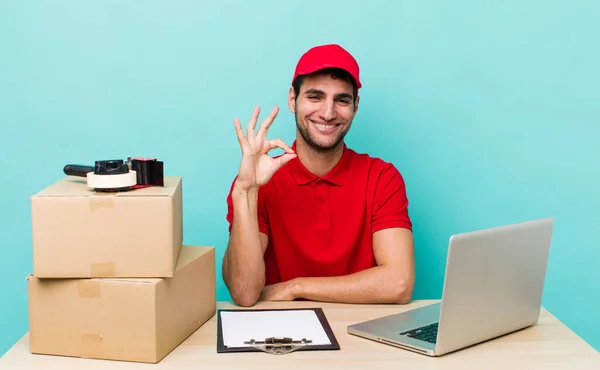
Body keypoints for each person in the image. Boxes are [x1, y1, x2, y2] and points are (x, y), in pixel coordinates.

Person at [223, 44, 414, 307]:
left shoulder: (382, 178)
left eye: (342, 100)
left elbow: (398, 284)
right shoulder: (259, 182)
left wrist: (296, 287)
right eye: (315, 97)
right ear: (293, 100)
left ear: (356, 106)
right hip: (280, 334)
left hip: (360, 333)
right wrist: (246, 190)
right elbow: (244, 293)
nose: (328, 113)